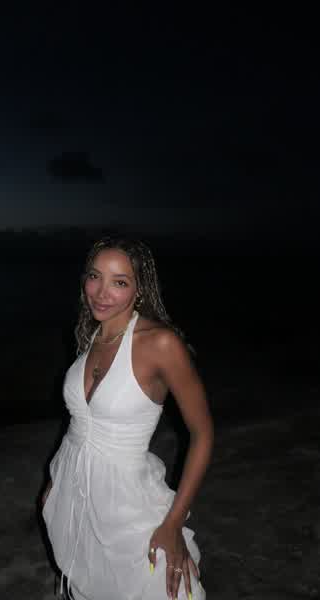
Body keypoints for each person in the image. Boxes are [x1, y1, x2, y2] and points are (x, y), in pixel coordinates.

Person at [41, 237, 214, 600]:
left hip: (129, 505)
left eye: (119, 282)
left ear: (139, 290)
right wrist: (55, 483)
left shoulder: (160, 344)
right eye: (95, 277)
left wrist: (173, 524)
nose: (101, 293)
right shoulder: (91, 336)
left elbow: (202, 434)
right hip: (73, 498)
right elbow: (81, 423)